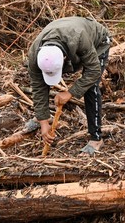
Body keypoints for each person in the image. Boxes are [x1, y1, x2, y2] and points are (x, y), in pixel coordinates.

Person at [28, 16, 112, 155]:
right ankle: (41, 117)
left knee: (91, 87)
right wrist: (43, 122)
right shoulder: (35, 54)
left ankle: (96, 138)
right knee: (41, 85)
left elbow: (94, 71)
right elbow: (38, 86)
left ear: (65, 58)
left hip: (98, 41)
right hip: (69, 34)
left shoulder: (79, 39)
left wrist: (70, 93)